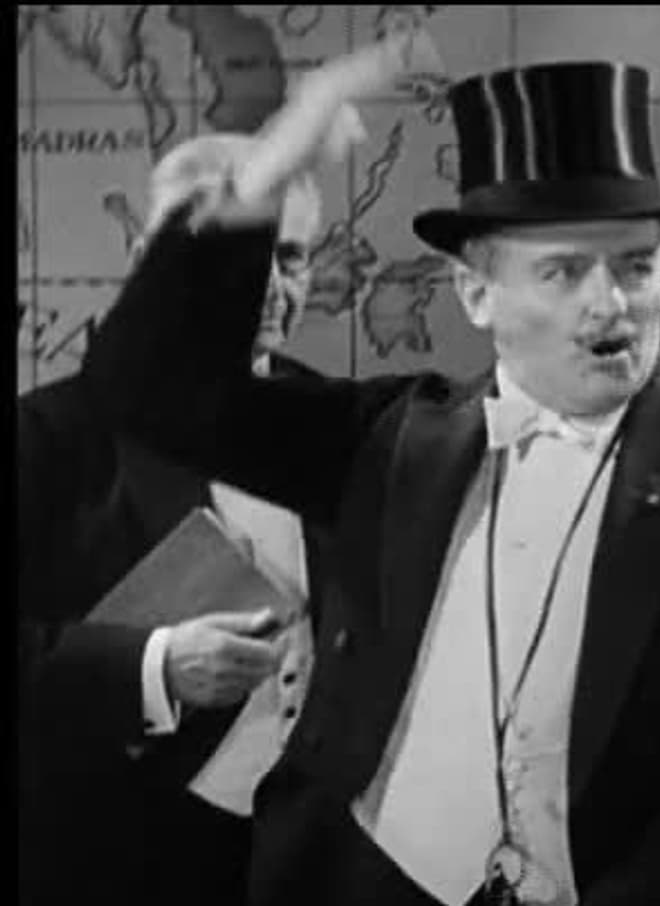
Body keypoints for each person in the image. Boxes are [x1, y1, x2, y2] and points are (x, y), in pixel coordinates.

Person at [78, 61, 660, 906]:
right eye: (563, 271)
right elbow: (145, 391)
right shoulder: (390, 441)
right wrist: (259, 184)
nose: (611, 305)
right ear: (476, 293)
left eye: (634, 266)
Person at [17, 133, 333, 906]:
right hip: (116, 865)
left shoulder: (342, 424)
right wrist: (153, 668)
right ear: (145, 261)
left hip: (313, 863)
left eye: (289, 258)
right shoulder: (48, 436)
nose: (265, 286)